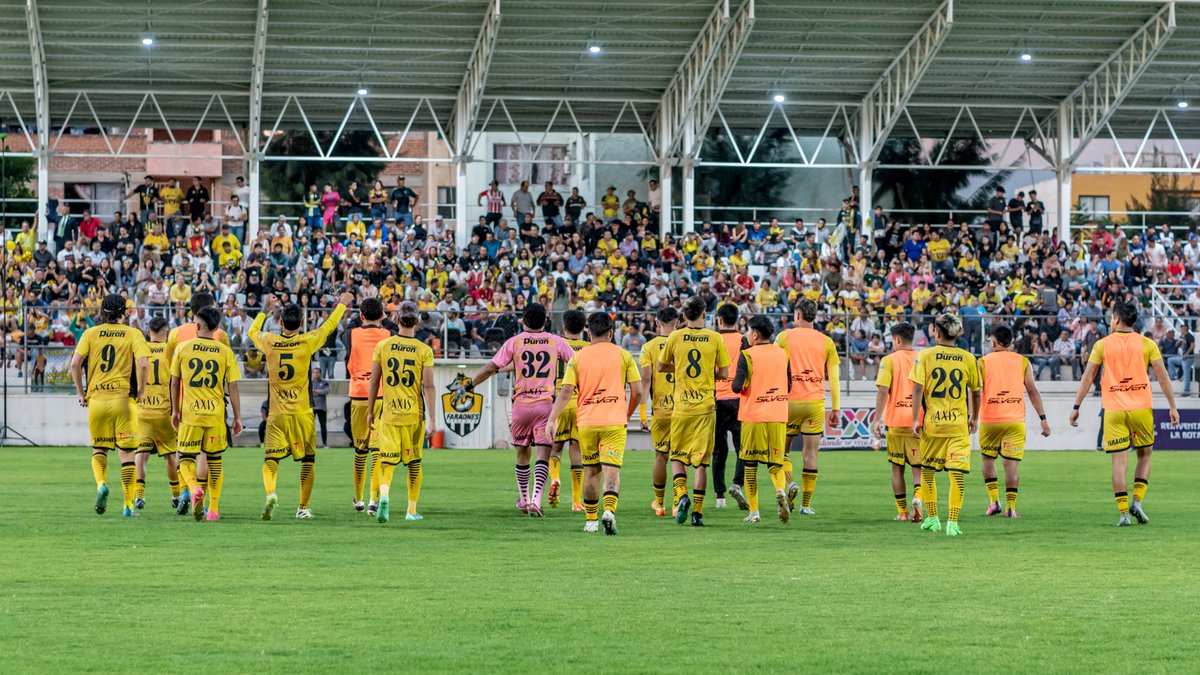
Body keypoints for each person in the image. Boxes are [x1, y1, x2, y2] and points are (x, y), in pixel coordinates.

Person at [1070, 301, 1179, 527]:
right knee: (1145, 455)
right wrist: (1172, 405)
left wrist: (1076, 406)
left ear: (1117, 319)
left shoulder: (1102, 345)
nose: (1111, 321)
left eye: (1111, 318)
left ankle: (1123, 515)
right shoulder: (1147, 343)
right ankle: (1137, 502)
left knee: (1119, 463)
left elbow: (1088, 376)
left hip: (1114, 410)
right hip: (1141, 408)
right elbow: (1162, 376)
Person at [467, 304, 575, 516]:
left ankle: (524, 500)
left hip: (521, 405)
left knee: (522, 453)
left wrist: (470, 385)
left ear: (523, 320)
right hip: (545, 404)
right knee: (543, 453)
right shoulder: (556, 341)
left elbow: (492, 367)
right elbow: (577, 362)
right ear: (545, 321)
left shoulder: (514, 342)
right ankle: (536, 500)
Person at [249, 293, 349, 520]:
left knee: (270, 460)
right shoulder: (307, 340)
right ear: (301, 323)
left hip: (276, 413)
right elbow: (329, 326)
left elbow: (251, 332)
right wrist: (342, 304)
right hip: (302, 412)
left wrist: (264, 309)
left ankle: (271, 493)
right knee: (308, 460)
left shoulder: (270, 341)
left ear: (280, 323)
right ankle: (303, 508)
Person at [545, 311, 641, 535]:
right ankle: (608, 511)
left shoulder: (579, 357)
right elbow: (637, 390)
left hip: (587, 422)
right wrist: (627, 414)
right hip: (614, 421)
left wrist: (552, 419)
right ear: (611, 333)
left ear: (588, 333)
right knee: (611, 472)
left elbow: (567, 391)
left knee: (591, 471)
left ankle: (590, 521)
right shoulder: (624, 355)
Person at [68, 294, 150, 517]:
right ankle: (128, 505)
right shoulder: (133, 333)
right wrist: (141, 391)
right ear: (124, 312)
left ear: (102, 312)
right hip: (124, 400)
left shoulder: (90, 333)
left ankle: (101, 483)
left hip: (97, 400)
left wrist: (81, 393)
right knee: (127, 454)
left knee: (99, 449)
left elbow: (75, 364)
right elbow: (143, 364)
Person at [658, 295, 731, 527]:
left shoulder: (675, 336)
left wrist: (678, 367)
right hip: (706, 408)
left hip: (681, 408)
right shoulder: (715, 338)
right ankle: (697, 514)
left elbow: (661, 366)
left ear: (683, 316)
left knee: (677, 457)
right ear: (704, 315)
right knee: (701, 463)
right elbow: (724, 373)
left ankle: (682, 496)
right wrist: (708, 373)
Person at [909, 313, 981, 537]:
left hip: (934, 424)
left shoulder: (926, 355)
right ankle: (953, 523)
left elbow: (918, 389)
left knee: (928, 473)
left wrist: (914, 418)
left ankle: (932, 518)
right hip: (958, 424)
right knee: (956, 474)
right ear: (957, 333)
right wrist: (974, 417)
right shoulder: (968, 358)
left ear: (937, 332)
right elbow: (976, 392)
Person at [169, 306, 243, 522]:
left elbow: (174, 382)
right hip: (215, 414)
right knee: (215, 460)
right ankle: (213, 509)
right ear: (217, 327)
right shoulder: (225, 351)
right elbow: (233, 387)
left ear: (197, 326)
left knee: (185, 458)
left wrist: (175, 410)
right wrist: (237, 417)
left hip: (191, 413)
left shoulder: (183, 348)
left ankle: (193, 488)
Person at [366, 301, 437, 524]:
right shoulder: (424, 350)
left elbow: (374, 381)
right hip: (413, 415)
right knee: (414, 463)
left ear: (396, 320)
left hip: (389, 414)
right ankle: (411, 510)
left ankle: (384, 495)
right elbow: (428, 386)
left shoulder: (383, 346)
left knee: (386, 462)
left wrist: (370, 412)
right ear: (416, 321)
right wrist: (433, 419)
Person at [977, 323, 1051, 519]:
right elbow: (1032, 390)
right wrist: (1043, 419)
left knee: (987, 460)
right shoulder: (1023, 361)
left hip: (990, 419)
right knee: (1011, 466)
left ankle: (993, 502)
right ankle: (1011, 508)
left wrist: (972, 417)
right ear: (1010, 342)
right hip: (1015, 420)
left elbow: (975, 392)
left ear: (993, 341)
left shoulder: (983, 362)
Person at [775, 298, 840, 515]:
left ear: (798, 315)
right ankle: (806, 505)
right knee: (810, 454)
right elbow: (834, 378)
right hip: (815, 403)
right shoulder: (827, 342)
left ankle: (790, 483)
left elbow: (776, 369)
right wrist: (836, 408)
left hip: (788, 402)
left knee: (781, 453)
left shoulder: (784, 337)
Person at [731, 316, 791, 524]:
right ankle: (781, 490)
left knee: (750, 465)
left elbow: (736, 387)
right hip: (778, 415)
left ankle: (754, 512)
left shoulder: (746, 355)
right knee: (776, 464)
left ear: (755, 335)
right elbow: (789, 386)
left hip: (753, 415)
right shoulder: (783, 354)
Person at [343, 297, 398, 515]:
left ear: (361, 316)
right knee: (377, 450)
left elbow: (348, 326)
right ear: (383, 315)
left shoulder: (351, 334)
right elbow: (394, 326)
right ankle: (375, 500)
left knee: (360, 450)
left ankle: (358, 499)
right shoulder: (389, 335)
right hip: (382, 396)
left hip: (358, 395)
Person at [870, 322, 924, 523]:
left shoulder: (888, 360)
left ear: (897, 339)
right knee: (918, 468)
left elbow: (883, 390)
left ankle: (902, 512)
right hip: (917, 422)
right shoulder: (923, 358)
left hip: (895, 423)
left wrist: (877, 419)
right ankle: (918, 498)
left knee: (897, 468)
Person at [132, 316, 182, 513]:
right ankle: (176, 495)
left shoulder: (140, 349)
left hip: (143, 410)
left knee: (141, 453)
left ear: (148, 332)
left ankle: (139, 495)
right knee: (170, 455)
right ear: (167, 331)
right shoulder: (171, 352)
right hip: (164, 410)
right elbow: (176, 381)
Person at [639, 307, 679, 517]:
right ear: (677, 323)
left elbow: (645, 380)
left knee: (661, 456)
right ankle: (676, 503)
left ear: (657, 324)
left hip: (661, 410)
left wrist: (643, 413)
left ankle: (660, 504)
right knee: (680, 458)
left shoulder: (649, 347)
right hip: (684, 408)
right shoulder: (683, 342)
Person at [548, 309, 589, 511]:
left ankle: (555, 478)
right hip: (580, 404)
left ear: (564, 327)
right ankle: (576, 501)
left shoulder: (555, 345)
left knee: (555, 449)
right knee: (576, 450)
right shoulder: (589, 348)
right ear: (583, 329)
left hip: (558, 401)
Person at [712, 303, 749, 510]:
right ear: (737, 320)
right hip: (738, 399)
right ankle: (737, 484)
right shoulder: (743, 340)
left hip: (716, 399)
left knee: (718, 450)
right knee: (742, 448)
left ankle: (720, 497)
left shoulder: (713, 339)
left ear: (719, 320)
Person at [312, 367, 330, 448]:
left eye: (317, 372)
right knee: (310, 427)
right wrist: (319, 391)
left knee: (323, 426)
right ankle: (311, 444)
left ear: (320, 373)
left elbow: (326, 391)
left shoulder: (324, 382)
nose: (316, 374)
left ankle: (325, 444)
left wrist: (315, 391)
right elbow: (307, 392)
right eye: (314, 372)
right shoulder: (309, 383)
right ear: (312, 373)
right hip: (312, 407)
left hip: (322, 408)